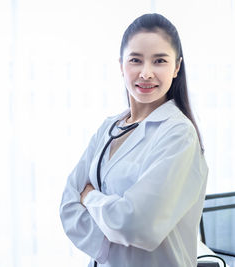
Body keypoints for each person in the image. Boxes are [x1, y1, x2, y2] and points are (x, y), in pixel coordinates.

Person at [59, 13, 208, 267]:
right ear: (121, 65)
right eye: (136, 60)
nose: (146, 73)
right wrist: (109, 243)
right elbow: (68, 204)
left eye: (159, 61)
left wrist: (90, 198)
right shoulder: (108, 127)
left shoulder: (178, 134)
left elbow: (138, 225)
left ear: (176, 67)